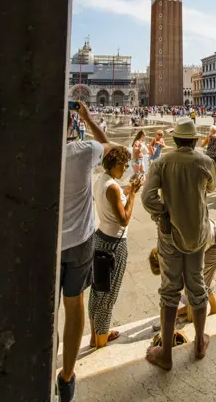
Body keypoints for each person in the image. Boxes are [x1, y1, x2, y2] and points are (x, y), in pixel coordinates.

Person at [142, 117, 216, 370]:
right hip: (197, 231)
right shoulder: (205, 161)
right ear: (195, 140)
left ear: (174, 139)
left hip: (169, 233)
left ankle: (165, 354)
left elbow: (147, 197)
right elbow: (213, 187)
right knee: (197, 285)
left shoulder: (161, 162)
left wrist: (162, 214)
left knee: (169, 289)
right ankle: (198, 345)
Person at [58, 101, 113, 402]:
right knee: (75, 303)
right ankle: (67, 377)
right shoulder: (83, 151)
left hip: (47, 244)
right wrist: (89, 118)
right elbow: (110, 147)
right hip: (79, 241)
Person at [88, 146, 142, 348]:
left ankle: (95, 334)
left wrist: (125, 192)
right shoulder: (111, 187)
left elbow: (112, 202)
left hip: (101, 237)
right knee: (108, 294)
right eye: (124, 165)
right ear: (115, 164)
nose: (126, 169)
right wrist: (133, 195)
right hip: (113, 243)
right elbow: (124, 220)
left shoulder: (101, 181)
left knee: (97, 289)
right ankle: (101, 339)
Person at [149, 218, 216, 320]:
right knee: (202, 275)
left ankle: (211, 309)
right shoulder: (169, 248)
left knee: (198, 279)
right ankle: (191, 309)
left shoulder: (176, 253)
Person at [202, 126, 216, 191]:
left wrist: (203, 140)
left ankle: (207, 187)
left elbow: (202, 145)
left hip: (209, 156)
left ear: (210, 131)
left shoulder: (208, 137)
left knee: (208, 171)